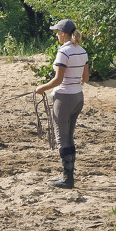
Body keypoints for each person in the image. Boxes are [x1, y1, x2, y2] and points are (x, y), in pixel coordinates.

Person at [34, 19, 88, 189]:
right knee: (69, 137)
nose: (56, 34)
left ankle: (67, 179)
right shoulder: (82, 50)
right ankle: (68, 176)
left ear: (64, 34)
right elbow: (85, 79)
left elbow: (58, 80)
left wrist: (41, 88)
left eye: (58, 32)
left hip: (64, 99)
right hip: (78, 97)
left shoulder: (63, 52)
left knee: (62, 138)